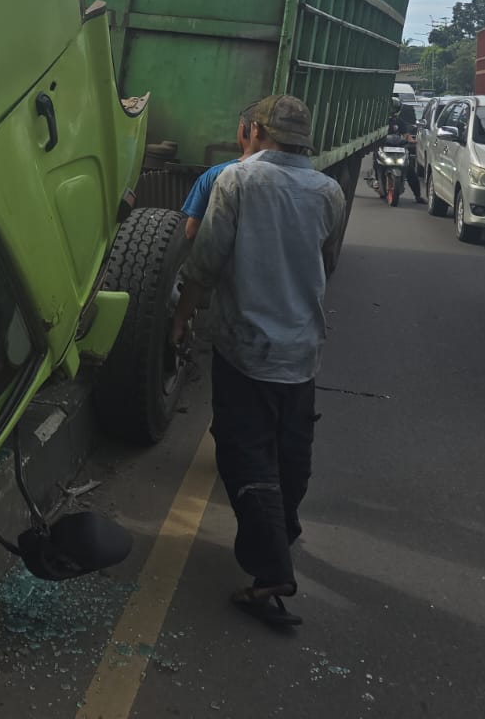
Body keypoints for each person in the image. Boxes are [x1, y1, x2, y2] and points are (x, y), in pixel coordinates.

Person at [181, 94, 346, 628]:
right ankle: (284, 529)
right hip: (302, 351)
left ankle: (271, 566)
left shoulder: (237, 181)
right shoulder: (329, 192)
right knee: (290, 448)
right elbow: (326, 264)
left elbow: (204, 263)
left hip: (244, 346)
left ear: (253, 130)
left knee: (244, 454)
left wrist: (181, 316)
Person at [172, 99, 264, 344]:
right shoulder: (312, 188)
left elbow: (191, 233)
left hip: (220, 292)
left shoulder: (217, 175)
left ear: (246, 131)